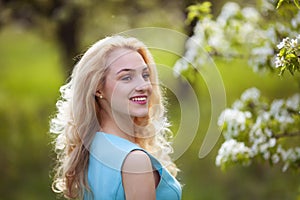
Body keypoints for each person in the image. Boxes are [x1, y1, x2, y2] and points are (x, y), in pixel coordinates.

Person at [50, 35, 182, 200]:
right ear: (98, 88)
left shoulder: (91, 145)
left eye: (145, 75)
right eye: (126, 77)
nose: (144, 86)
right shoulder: (135, 161)